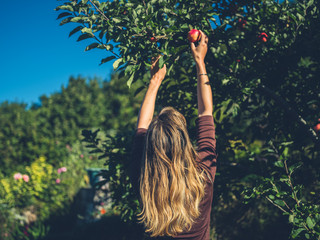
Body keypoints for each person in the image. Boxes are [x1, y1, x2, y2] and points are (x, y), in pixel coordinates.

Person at [130, 30, 217, 240]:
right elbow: (205, 112)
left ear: (151, 146)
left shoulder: (143, 178)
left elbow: (142, 126)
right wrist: (200, 62)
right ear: (184, 141)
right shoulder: (203, 175)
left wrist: (155, 81)